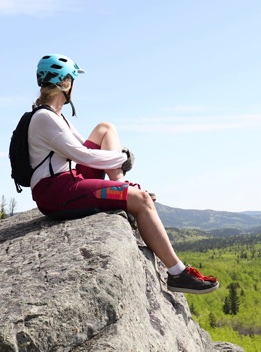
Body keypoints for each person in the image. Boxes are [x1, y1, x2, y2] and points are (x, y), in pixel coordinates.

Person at [28, 54, 218, 294]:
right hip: (57, 192)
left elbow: (85, 150)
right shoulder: (45, 117)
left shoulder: (55, 116)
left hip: (66, 182)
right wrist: (122, 159)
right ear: (65, 83)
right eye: (73, 80)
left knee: (105, 128)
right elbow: (83, 156)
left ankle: (121, 185)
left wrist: (120, 175)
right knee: (141, 200)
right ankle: (177, 273)